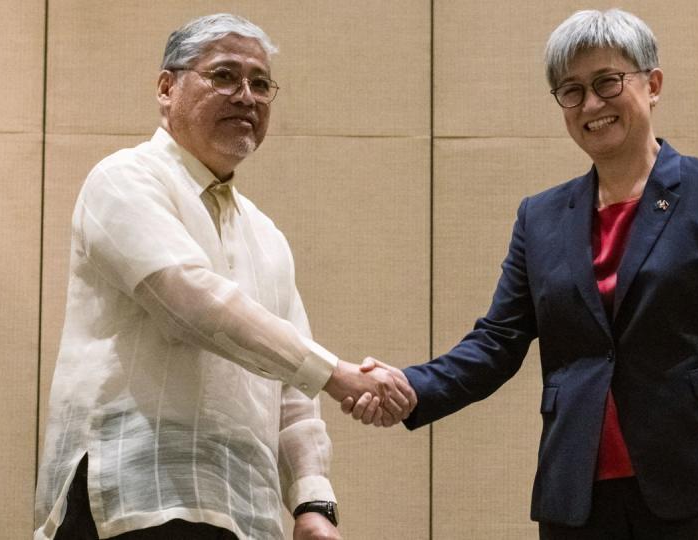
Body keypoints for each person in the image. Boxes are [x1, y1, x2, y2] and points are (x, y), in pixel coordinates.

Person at [344, 8, 698, 540]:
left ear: (652, 84)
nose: (591, 104)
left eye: (607, 81)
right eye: (571, 90)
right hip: (579, 497)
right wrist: (411, 385)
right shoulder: (540, 216)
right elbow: (497, 340)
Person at [34, 13, 414, 540]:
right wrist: (337, 373)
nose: (247, 96)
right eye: (224, 76)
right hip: (134, 496)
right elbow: (190, 304)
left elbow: (291, 388)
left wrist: (313, 502)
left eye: (261, 84)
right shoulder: (123, 179)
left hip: (244, 511)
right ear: (167, 88)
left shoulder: (266, 233)